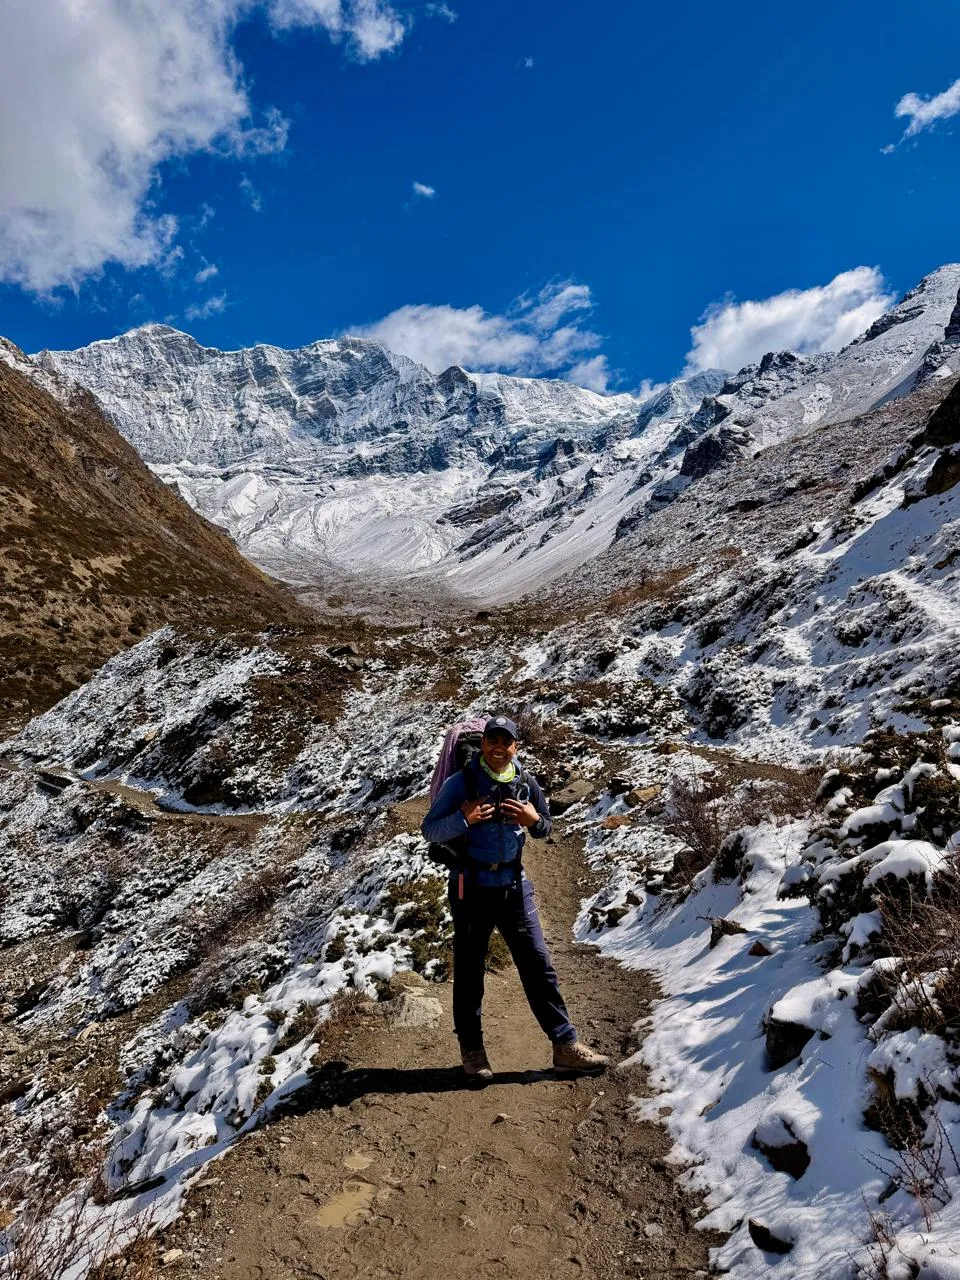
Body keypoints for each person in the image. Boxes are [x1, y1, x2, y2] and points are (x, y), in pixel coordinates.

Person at [421, 714, 609, 1084]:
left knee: (538, 963)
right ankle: (473, 1052)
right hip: (469, 885)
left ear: (514, 747)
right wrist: (463, 818)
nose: (498, 748)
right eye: (493, 740)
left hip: (513, 884)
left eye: (506, 742)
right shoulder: (462, 784)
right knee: (470, 969)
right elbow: (430, 829)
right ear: (484, 743)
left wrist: (532, 818)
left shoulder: (525, 781)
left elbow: (546, 827)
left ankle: (565, 1046)